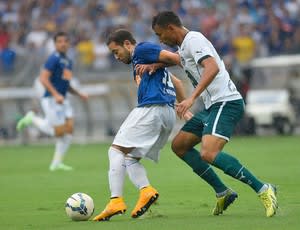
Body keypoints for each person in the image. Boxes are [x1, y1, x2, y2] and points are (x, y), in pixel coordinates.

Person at [147, 11, 278, 217]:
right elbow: (183, 61)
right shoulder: (184, 46)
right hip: (212, 106)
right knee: (179, 146)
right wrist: (159, 64)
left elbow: (212, 67)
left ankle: (263, 189)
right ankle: (222, 191)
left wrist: (191, 98)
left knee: (208, 153)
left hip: (226, 102)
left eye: (160, 34)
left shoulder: (194, 40)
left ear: (171, 28)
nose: (160, 40)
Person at [93, 29, 190, 221]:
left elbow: (178, 58)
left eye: (116, 51)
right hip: (167, 113)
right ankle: (146, 191)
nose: (116, 57)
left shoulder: (142, 50)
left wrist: (157, 62)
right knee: (130, 159)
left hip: (152, 109)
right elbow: (177, 82)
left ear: (128, 44)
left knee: (115, 151)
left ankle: (115, 201)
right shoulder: (140, 63)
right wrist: (184, 109)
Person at [16, 31, 88, 171]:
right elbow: (43, 78)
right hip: (51, 99)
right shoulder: (53, 59)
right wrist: (55, 94)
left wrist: (79, 94)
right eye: (59, 41)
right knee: (59, 133)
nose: (63, 44)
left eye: (65, 41)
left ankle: (56, 163)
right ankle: (32, 119)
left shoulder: (68, 61)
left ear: (68, 43)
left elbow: (66, 84)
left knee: (68, 132)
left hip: (63, 100)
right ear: (55, 44)